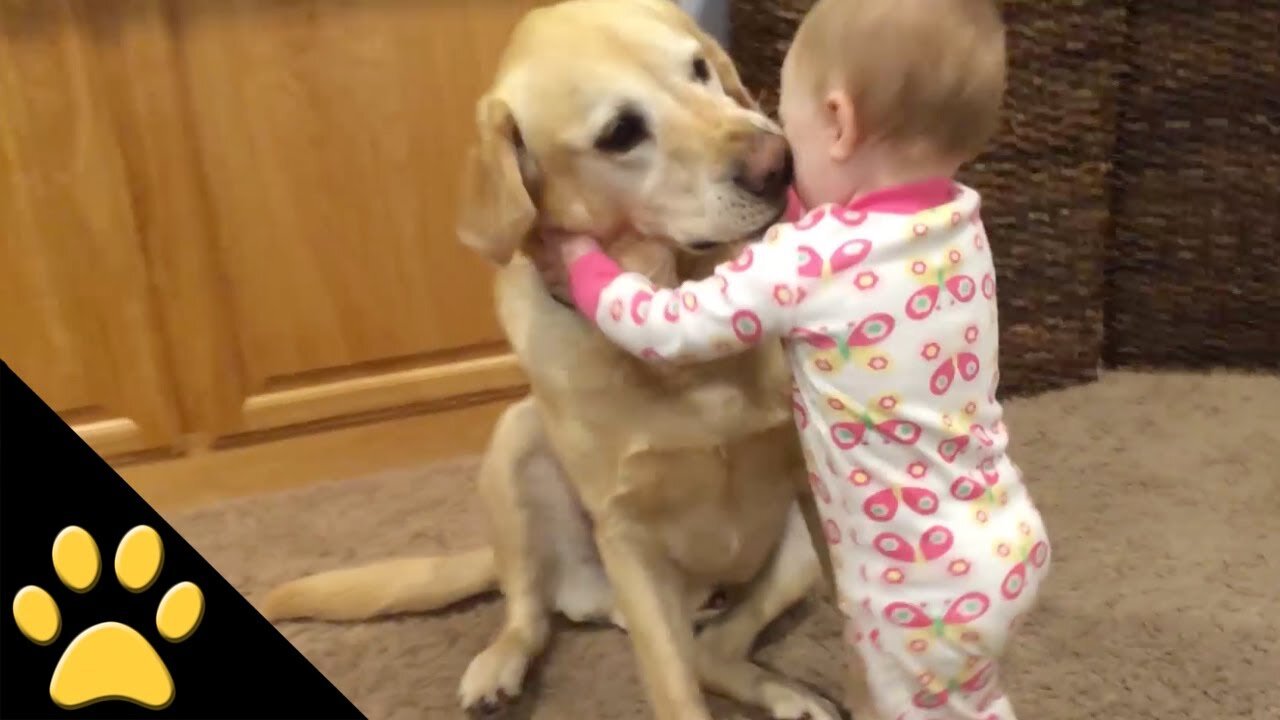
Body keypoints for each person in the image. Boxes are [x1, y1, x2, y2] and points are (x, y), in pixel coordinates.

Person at [538, 1, 1051, 718]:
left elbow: (671, 326)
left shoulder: (802, 263)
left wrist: (587, 269)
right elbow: (851, 254)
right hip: (1000, 535)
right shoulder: (955, 222)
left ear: (837, 124)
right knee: (969, 697)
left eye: (788, 117)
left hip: (914, 584)